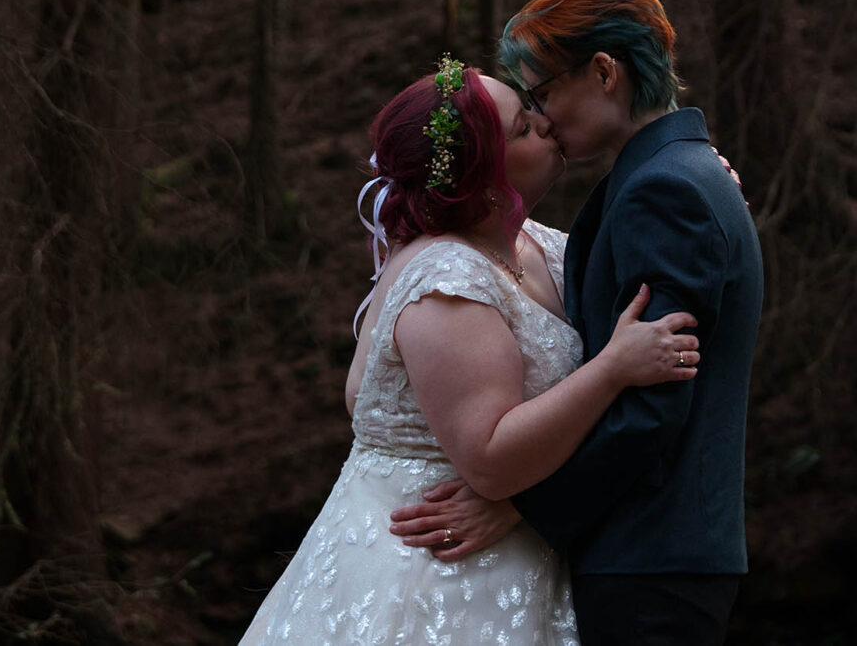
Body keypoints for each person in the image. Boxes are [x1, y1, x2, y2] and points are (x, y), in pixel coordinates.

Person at [236, 53, 700, 646]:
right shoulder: (446, 278)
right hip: (430, 570)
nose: (547, 125)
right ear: (484, 178)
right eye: (524, 128)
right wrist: (612, 370)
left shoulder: (538, 244)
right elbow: (489, 457)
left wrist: (696, 174)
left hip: (509, 550)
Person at [390, 0, 764, 646]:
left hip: (652, 556)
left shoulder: (667, 191)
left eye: (543, 91)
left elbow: (655, 402)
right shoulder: (668, 178)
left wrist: (524, 508)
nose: (541, 116)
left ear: (602, 71)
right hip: (646, 553)